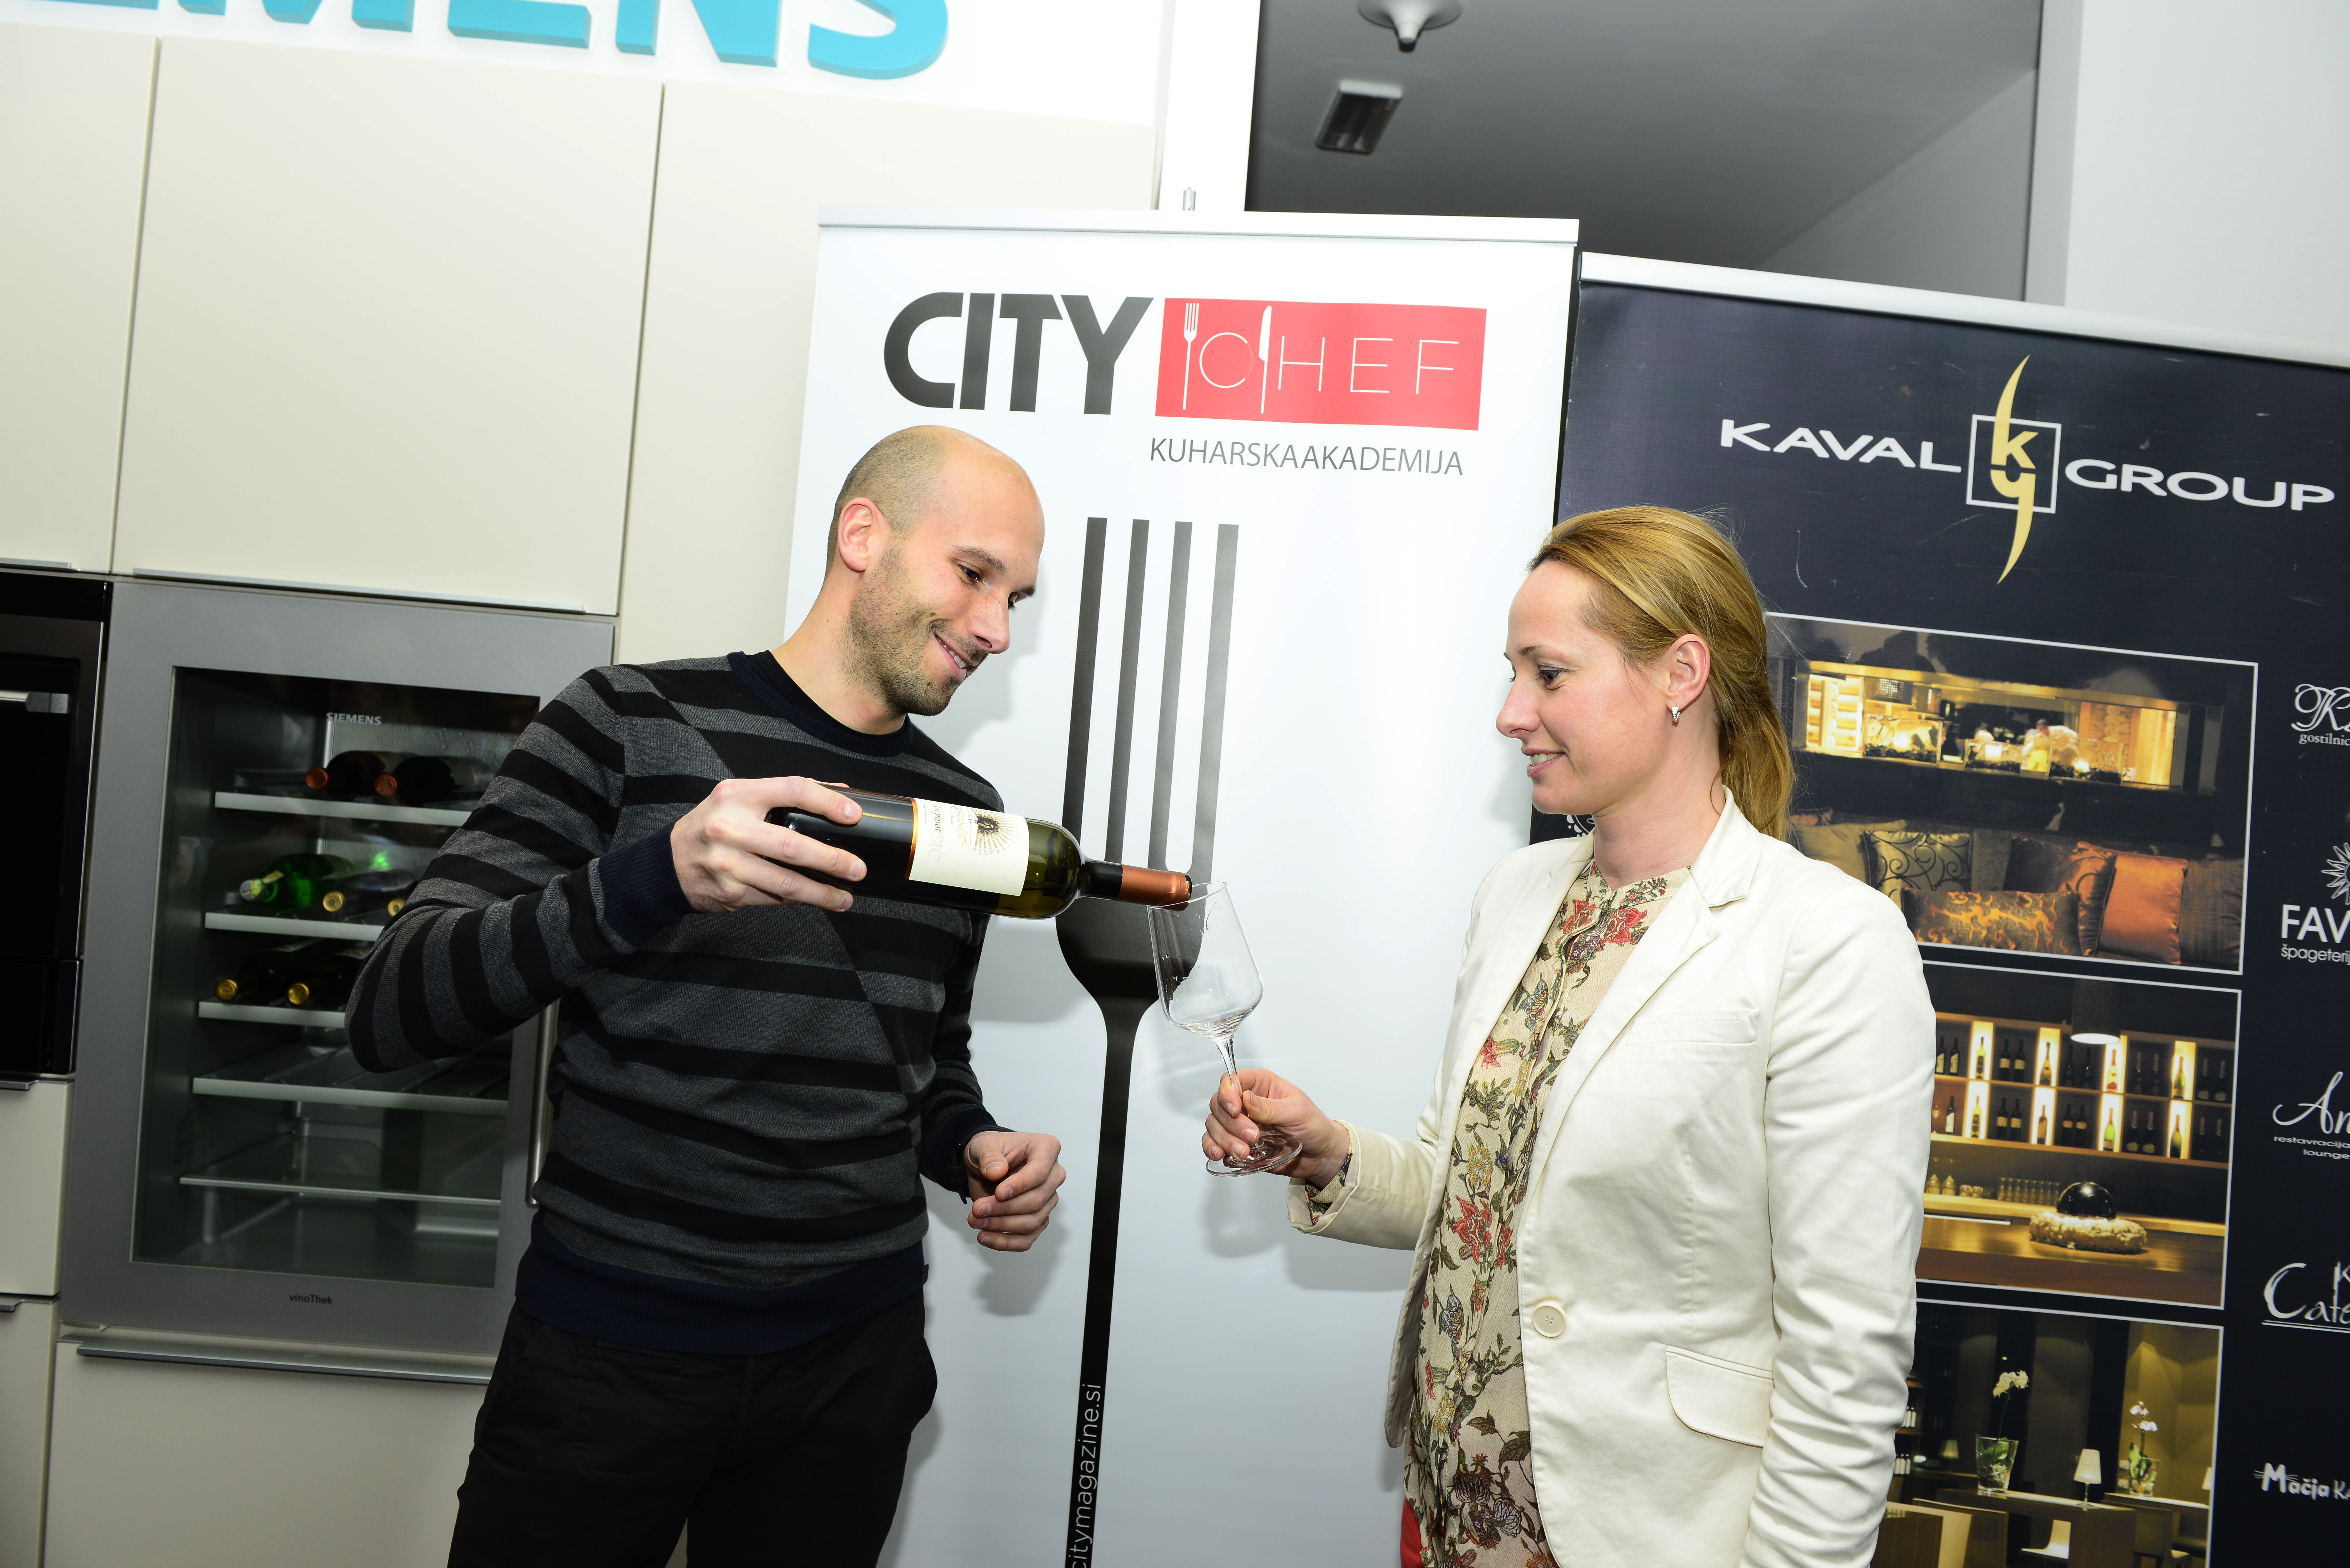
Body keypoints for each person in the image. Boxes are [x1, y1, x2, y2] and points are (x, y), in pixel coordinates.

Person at [348, 425, 1068, 1568]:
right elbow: (392, 1010)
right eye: (974, 574)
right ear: (863, 535)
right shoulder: (623, 721)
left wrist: (971, 1145)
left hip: (851, 1366)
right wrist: (653, 878)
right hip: (608, 1352)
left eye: (1014, 597)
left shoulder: (961, 817)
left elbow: (924, 1061)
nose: (997, 630)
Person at [1204, 506, 1933, 1568]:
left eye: (1548, 674)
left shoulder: (1827, 940)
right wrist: (1331, 1154)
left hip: (1641, 1536)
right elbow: (1480, 1196)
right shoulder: (1516, 893)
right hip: (1450, 1515)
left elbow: (1846, 1355)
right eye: (1513, 674)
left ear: (1682, 673)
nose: (1510, 714)